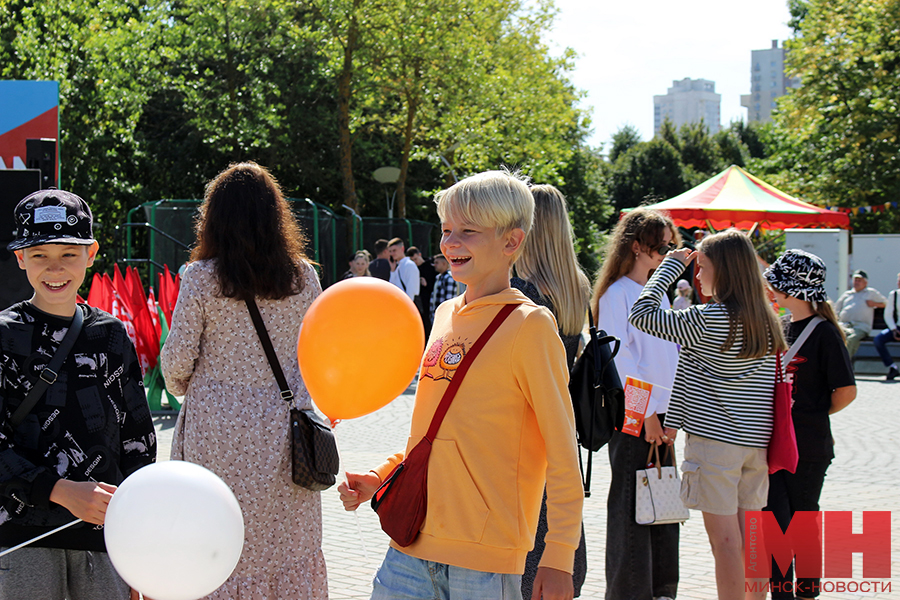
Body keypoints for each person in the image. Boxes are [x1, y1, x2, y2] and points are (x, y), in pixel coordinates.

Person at [338, 170, 583, 600]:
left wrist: (559, 555)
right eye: (447, 229)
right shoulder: (446, 315)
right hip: (409, 547)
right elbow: (436, 433)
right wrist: (382, 477)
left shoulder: (531, 326)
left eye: (468, 231)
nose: (451, 243)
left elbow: (563, 455)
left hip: (485, 566)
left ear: (512, 242)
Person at [161, 162, 328, 599]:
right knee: (284, 545)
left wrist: (190, 387)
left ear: (213, 217)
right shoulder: (303, 277)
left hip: (215, 433)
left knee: (216, 543)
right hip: (286, 433)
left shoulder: (200, 279)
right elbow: (315, 352)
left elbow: (176, 364)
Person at [0, 189, 157, 600]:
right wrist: (58, 490)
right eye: (39, 255)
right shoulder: (3, 335)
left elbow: (138, 441)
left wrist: (139, 546)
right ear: (20, 258)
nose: (55, 268)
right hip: (19, 541)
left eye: (68, 253)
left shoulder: (111, 335)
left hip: (104, 543)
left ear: (91, 254)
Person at [629, 229, 787, 600]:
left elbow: (643, 314)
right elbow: (695, 372)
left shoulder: (708, 319)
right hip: (756, 443)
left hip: (715, 446)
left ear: (725, 271)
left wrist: (667, 270)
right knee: (751, 538)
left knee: (726, 544)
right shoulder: (767, 321)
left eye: (702, 268)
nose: (696, 277)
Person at [590, 207, 681, 600]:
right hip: (636, 417)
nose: (667, 254)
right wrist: (644, 416)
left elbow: (673, 358)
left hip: (661, 417)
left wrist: (672, 415)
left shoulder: (659, 297)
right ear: (638, 247)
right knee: (631, 508)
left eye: (671, 246)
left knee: (662, 507)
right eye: (662, 246)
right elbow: (620, 361)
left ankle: (661, 588)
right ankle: (629, 592)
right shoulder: (618, 294)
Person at [762, 249, 857, 600]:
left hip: (809, 446)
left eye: (776, 285)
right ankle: (781, 591)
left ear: (791, 289)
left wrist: (811, 414)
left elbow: (846, 391)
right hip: (775, 444)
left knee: (802, 518)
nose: (771, 290)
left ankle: (807, 591)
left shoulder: (826, 334)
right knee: (773, 517)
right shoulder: (781, 324)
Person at [512, 184, 590, 599]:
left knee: (529, 537)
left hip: (524, 426)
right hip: (561, 421)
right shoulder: (574, 284)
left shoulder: (525, 290)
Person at [833, 269, 886, 359]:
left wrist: (874, 304)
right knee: (833, 335)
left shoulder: (870, 293)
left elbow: (886, 303)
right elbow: (836, 309)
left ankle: (844, 362)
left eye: (859, 280)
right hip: (844, 325)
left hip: (860, 326)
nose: (857, 282)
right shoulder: (847, 294)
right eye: (855, 280)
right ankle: (832, 362)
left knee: (852, 339)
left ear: (865, 283)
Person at [872, 271, 900, 380]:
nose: (899, 284)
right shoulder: (894, 294)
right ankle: (892, 367)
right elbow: (888, 314)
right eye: (898, 281)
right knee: (878, 340)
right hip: (897, 328)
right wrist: (893, 329)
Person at [407, 246, 436, 335]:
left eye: (416, 259)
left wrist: (426, 284)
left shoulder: (431, 267)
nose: (415, 262)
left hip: (430, 299)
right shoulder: (413, 269)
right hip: (419, 300)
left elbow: (435, 284)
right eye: (413, 261)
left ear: (420, 254)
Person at [388, 238, 420, 303]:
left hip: (408, 304)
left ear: (402, 249)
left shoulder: (409, 265)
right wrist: (392, 271)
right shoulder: (397, 266)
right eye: (390, 251)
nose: (392, 254)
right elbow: (392, 286)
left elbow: (412, 290)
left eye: (394, 250)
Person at [429, 254, 457, 321]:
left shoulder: (449, 278)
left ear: (444, 263)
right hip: (436, 315)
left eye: (437, 263)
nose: (434, 265)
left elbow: (449, 300)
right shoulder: (438, 277)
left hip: (444, 316)